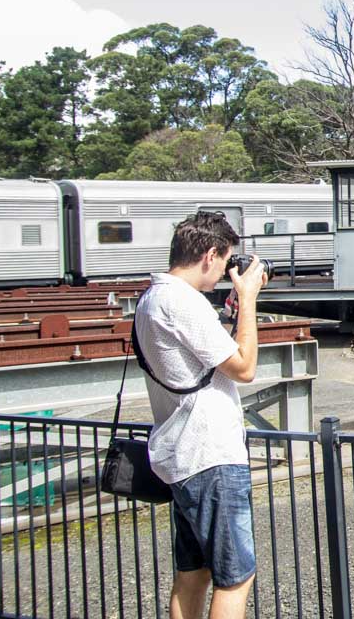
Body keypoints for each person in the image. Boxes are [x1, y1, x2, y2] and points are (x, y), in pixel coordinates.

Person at [134, 211, 268, 619]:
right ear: (210, 254)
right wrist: (247, 299)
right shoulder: (181, 302)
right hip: (209, 455)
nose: (225, 272)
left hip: (181, 455)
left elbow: (210, 360)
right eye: (226, 261)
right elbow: (244, 367)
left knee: (194, 573)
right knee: (236, 576)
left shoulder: (152, 298)